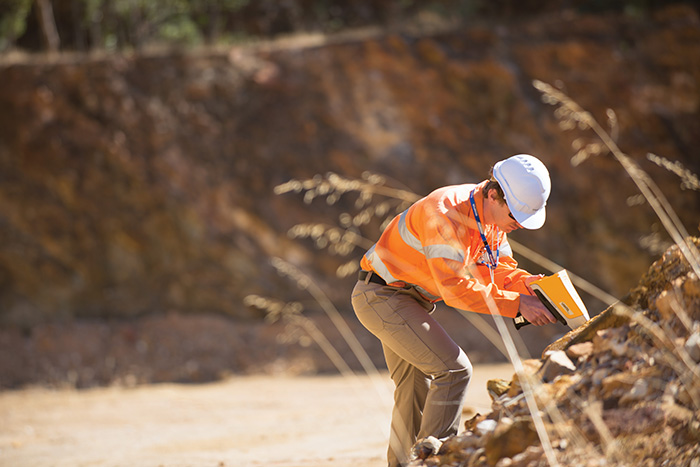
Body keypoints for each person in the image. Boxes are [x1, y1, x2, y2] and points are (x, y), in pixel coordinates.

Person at [351, 154, 557, 467]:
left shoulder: (493, 222)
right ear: (493, 194)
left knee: (414, 388)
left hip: (406, 301)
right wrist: (517, 305)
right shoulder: (444, 213)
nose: (519, 224)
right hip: (382, 297)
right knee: (454, 370)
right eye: (515, 214)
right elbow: (456, 289)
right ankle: (436, 462)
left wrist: (529, 285)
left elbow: (497, 269)